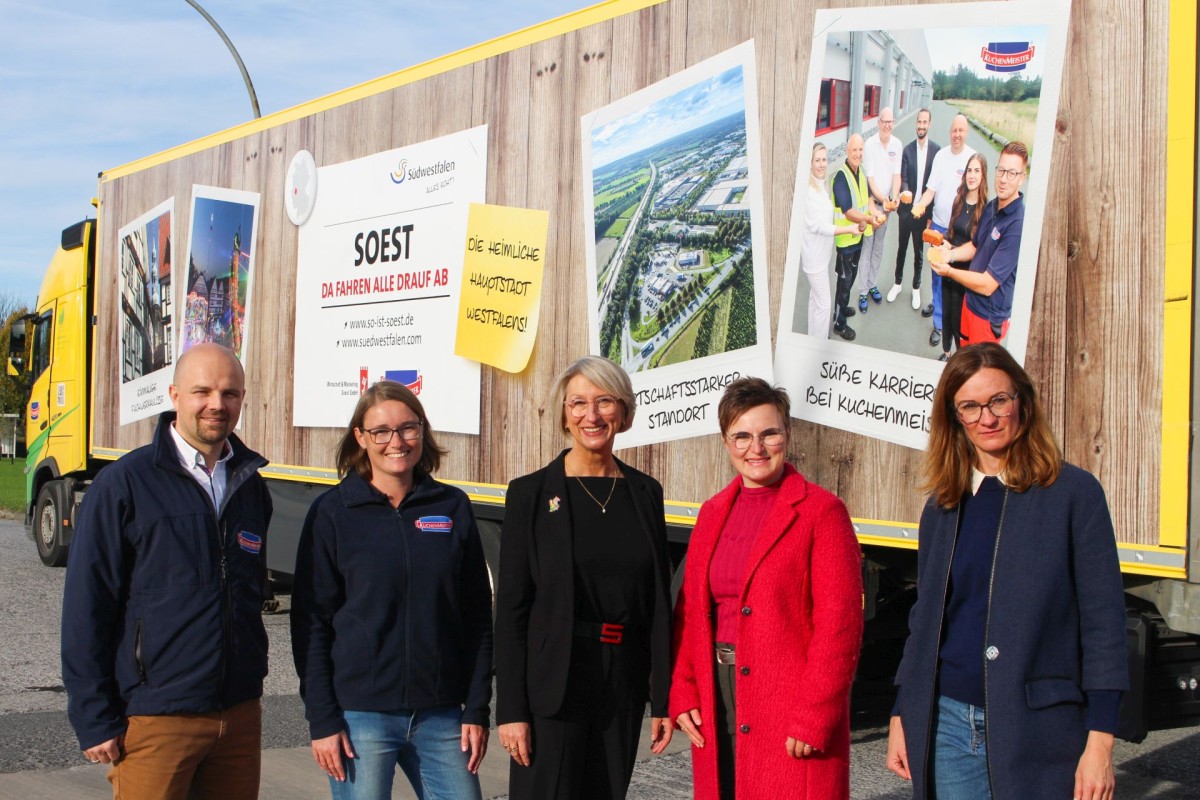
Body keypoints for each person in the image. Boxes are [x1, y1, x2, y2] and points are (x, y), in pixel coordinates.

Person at [886, 343, 1127, 800]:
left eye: (999, 400)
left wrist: (1101, 738)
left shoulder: (1073, 494)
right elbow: (926, 619)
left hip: (1039, 727)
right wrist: (903, 709)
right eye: (970, 406)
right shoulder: (943, 503)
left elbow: (1104, 624)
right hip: (948, 724)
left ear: (1022, 400)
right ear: (954, 416)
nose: (988, 418)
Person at [61, 343, 273, 800]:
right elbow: (87, 605)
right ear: (175, 395)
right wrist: (94, 716)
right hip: (157, 717)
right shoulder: (125, 484)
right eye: (203, 391)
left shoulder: (251, 486)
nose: (217, 404)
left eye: (230, 393)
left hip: (237, 715)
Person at [290, 380, 492, 800]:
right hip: (359, 717)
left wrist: (476, 707)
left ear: (423, 431)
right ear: (360, 438)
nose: (395, 442)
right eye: (380, 431)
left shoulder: (450, 507)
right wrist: (323, 720)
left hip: (440, 714)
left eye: (408, 428)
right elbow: (311, 623)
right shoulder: (332, 514)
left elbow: (476, 616)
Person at [670, 377, 864, 799]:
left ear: (787, 435)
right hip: (718, 690)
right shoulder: (712, 513)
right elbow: (691, 613)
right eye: (741, 436)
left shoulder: (822, 513)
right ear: (725, 442)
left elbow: (840, 627)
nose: (755, 448)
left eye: (768, 433)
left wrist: (816, 715)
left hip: (788, 699)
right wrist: (684, 687)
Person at [495, 355, 673, 798]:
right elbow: (512, 611)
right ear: (564, 413)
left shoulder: (645, 493)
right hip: (553, 682)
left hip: (622, 683)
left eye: (604, 402)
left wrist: (663, 697)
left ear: (624, 412)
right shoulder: (530, 494)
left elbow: (657, 606)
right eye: (578, 403)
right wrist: (511, 710)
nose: (590, 415)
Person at [932, 141, 1029, 346]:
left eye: (1012, 173)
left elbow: (987, 285)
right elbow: (975, 246)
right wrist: (949, 255)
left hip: (987, 317)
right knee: (963, 357)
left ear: (1022, 178)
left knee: (977, 372)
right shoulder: (993, 207)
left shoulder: (1018, 225)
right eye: (1001, 170)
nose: (1003, 179)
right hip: (970, 303)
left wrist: (948, 271)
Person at [911, 114, 975, 347]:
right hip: (938, 226)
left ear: (966, 132)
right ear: (949, 132)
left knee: (952, 279)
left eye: (961, 130)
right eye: (953, 130)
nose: (957, 134)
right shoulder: (940, 156)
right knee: (936, 274)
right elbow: (931, 191)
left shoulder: (971, 159)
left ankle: (941, 324)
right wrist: (921, 205)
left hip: (958, 231)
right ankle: (938, 310)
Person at [803, 142, 867, 337]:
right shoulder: (809, 193)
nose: (822, 164)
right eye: (817, 160)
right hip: (814, 260)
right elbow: (819, 226)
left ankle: (812, 337)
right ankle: (820, 345)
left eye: (824, 159)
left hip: (821, 257)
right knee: (824, 305)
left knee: (815, 300)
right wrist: (849, 228)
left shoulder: (821, 187)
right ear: (810, 163)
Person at [930, 152, 989, 361]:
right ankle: (946, 354)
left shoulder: (986, 211)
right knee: (946, 314)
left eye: (976, 171)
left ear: (983, 176)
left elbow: (978, 248)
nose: (972, 175)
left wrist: (952, 253)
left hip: (966, 274)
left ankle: (960, 359)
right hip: (949, 267)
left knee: (959, 321)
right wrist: (942, 240)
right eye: (969, 170)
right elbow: (952, 233)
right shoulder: (959, 200)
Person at [831, 133, 884, 341]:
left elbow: (868, 201)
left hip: (858, 238)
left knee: (850, 280)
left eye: (861, 150)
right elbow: (848, 211)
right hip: (845, 241)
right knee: (844, 284)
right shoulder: (840, 176)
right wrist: (870, 219)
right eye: (854, 150)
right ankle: (839, 323)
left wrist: (876, 213)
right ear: (847, 151)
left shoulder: (861, 172)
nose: (858, 154)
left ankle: (841, 310)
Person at [890, 108, 940, 310]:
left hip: (923, 213)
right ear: (916, 124)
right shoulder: (907, 150)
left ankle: (916, 288)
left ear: (929, 124)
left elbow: (935, 186)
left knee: (919, 253)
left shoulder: (936, 151)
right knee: (902, 248)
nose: (921, 125)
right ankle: (897, 283)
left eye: (924, 122)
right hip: (906, 212)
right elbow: (903, 178)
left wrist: (929, 214)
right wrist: (904, 192)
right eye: (918, 122)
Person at [856, 108, 903, 314]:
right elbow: (870, 179)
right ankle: (862, 290)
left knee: (878, 248)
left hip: (886, 208)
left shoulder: (897, 145)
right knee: (867, 247)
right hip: (872, 204)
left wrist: (894, 197)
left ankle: (872, 284)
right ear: (878, 122)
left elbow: (896, 175)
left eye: (890, 122)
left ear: (893, 123)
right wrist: (882, 200)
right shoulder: (870, 145)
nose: (887, 125)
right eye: (884, 121)